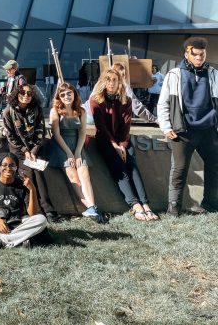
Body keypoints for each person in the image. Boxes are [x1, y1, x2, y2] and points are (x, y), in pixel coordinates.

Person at [157, 37, 218, 216]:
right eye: (196, 54)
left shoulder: (214, 73)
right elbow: (163, 103)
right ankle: (173, 210)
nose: (199, 57)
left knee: (215, 166)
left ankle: (210, 204)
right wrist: (166, 127)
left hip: (209, 130)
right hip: (182, 130)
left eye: (202, 54)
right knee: (179, 170)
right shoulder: (174, 74)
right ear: (187, 54)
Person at [90, 69, 158, 221]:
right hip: (105, 140)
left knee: (132, 164)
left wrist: (122, 145)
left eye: (115, 80)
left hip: (122, 139)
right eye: (108, 80)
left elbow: (126, 126)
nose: (111, 83)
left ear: (120, 82)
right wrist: (115, 146)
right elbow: (102, 127)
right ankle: (135, 205)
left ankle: (146, 204)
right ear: (103, 82)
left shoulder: (126, 100)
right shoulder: (96, 100)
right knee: (119, 167)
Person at [48, 82, 105, 223]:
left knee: (84, 175)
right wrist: (69, 153)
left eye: (69, 93)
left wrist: (78, 153)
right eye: (63, 94)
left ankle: (92, 209)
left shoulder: (81, 111)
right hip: (61, 146)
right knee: (74, 178)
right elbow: (56, 134)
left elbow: (82, 133)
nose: (66, 96)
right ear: (59, 97)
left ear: (74, 94)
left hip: (77, 146)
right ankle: (94, 210)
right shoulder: (55, 111)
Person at [3, 84, 59, 222]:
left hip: (35, 149)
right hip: (18, 151)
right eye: (23, 92)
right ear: (17, 93)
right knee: (28, 175)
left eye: (29, 94)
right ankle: (36, 211)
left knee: (39, 173)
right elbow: (10, 136)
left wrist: (33, 151)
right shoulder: (8, 111)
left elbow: (41, 132)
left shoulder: (37, 109)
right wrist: (24, 151)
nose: (26, 96)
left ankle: (49, 211)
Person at [0, 153, 48, 250]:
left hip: (19, 225)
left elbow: (32, 213)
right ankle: (18, 239)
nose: (8, 168)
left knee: (41, 219)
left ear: (16, 167)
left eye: (12, 165)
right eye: (4, 165)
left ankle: (1, 240)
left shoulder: (22, 185)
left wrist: (32, 189)